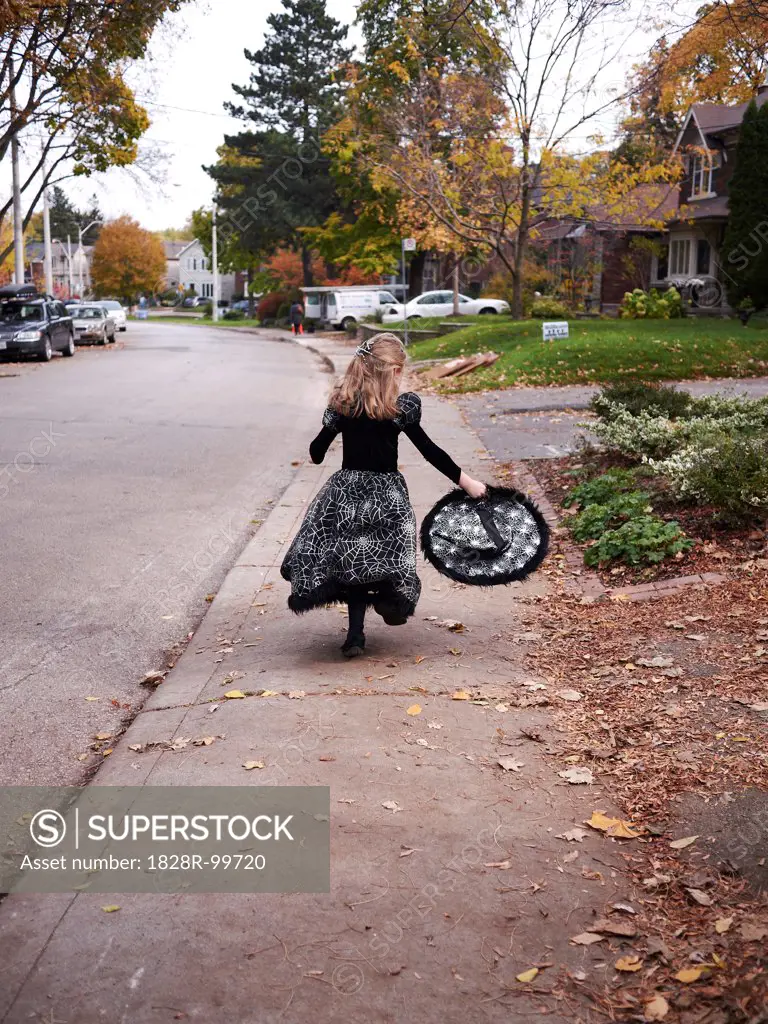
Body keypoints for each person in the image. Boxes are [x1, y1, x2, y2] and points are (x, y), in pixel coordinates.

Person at [280, 333, 486, 658]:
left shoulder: (343, 406)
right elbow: (431, 452)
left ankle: (355, 636)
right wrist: (467, 482)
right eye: (400, 372)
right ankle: (392, 604)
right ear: (392, 373)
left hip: (345, 495)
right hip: (386, 499)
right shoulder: (398, 410)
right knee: (392, 555)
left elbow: (316, 452)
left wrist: (327, 437)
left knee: (353, 561)